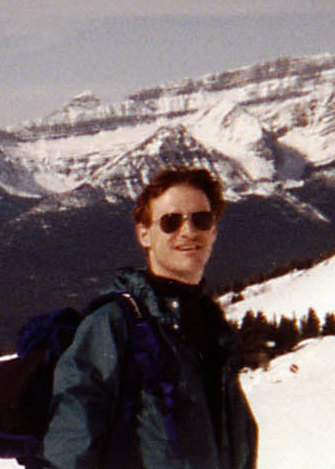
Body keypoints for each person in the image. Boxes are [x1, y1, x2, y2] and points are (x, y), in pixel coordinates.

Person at [40, 167, 258, 469]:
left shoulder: (212, 329)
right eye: (171, 222)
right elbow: (71, 443)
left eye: (201, 219)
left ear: (214, 231)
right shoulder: (115, 323)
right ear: (144, 234)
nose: (188, 231)